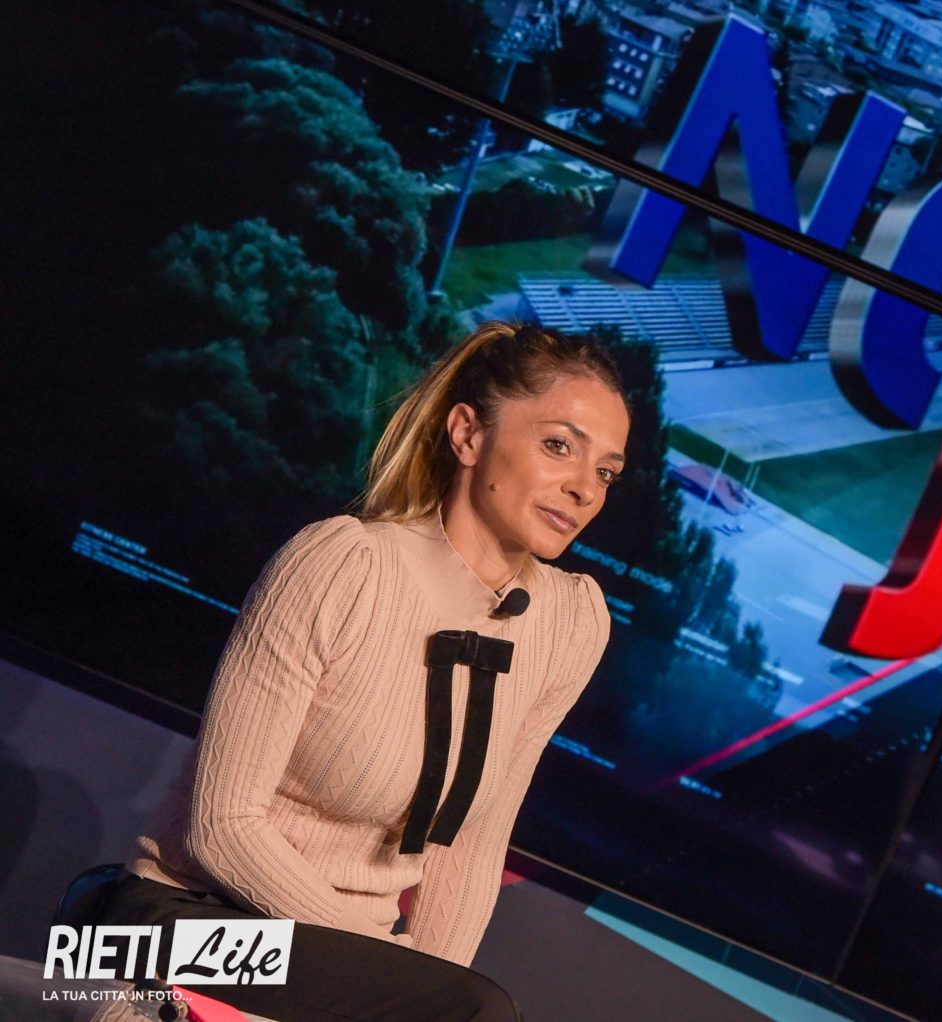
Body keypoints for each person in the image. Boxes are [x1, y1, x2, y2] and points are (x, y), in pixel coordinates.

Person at [86, 322, 630, 1021]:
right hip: (183, 924)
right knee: (478, 1012)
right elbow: (222, 825)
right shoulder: (342, 566)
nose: (584, 489)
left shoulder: (569, 623)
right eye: (559, 446)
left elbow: (470, 846)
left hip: (350, 965)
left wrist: (408, 988)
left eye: (606, 472)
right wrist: (392, 978)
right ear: (467, 434)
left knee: (463, 1009)